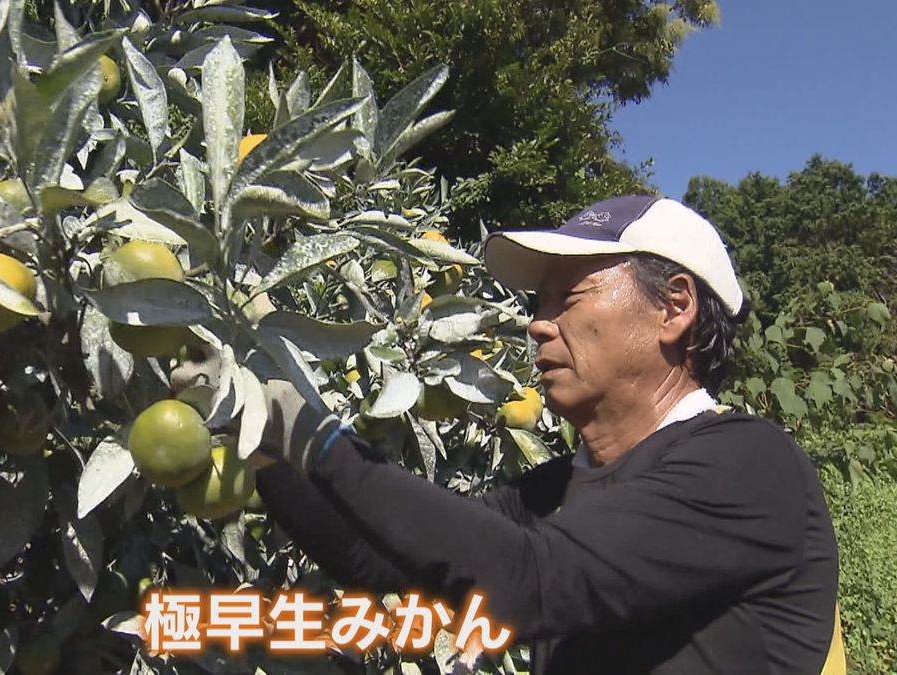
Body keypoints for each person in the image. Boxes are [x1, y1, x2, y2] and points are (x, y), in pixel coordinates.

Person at [244, 195, 842, 674]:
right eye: (539, 300)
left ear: (674, 307)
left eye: (567, 296)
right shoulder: (564, 484)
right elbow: (386, 561)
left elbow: (525, 582)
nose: (538, 322)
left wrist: (314, 436)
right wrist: (263, 451)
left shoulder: (747, 464)